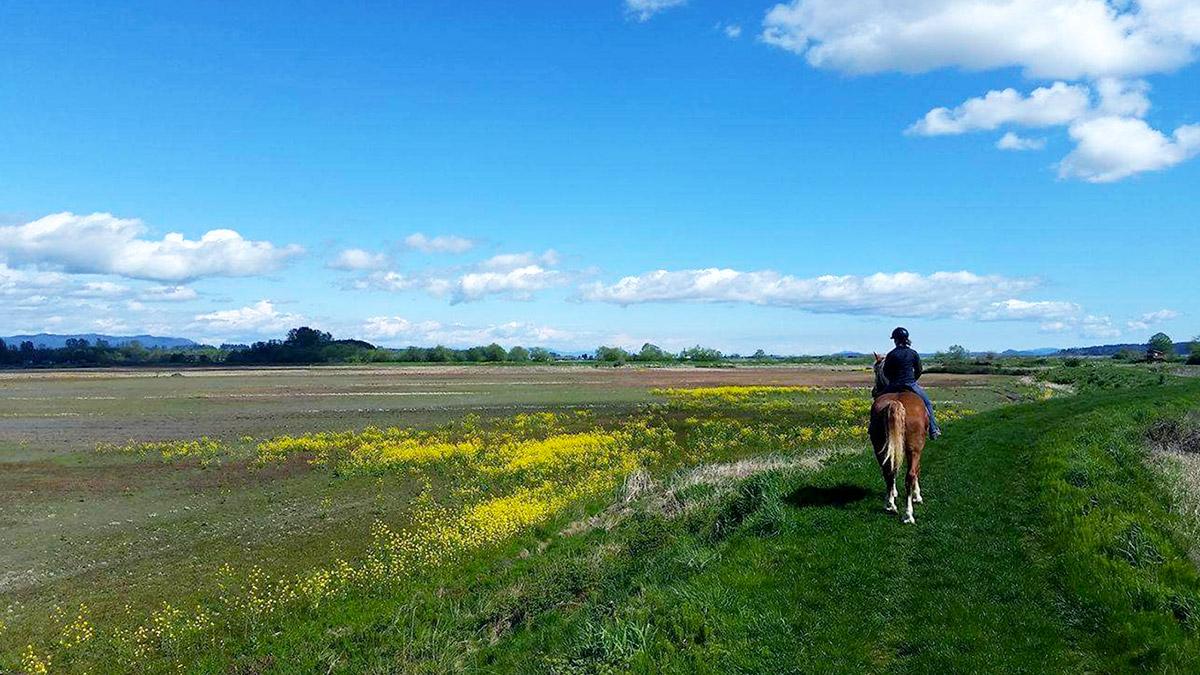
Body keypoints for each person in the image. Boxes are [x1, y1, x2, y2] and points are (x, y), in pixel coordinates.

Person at [881, 327, 941, 439]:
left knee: (877, 401)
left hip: (893, 384)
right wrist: (913, 380)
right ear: (906, 339)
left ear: (895, 340)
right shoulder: (913, 353)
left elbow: (886, 371)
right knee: (927, 403)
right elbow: (919, 370)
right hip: (911, 384)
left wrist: (892, 381)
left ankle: (872, 428)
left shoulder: (891, 354)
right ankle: (933, 429)